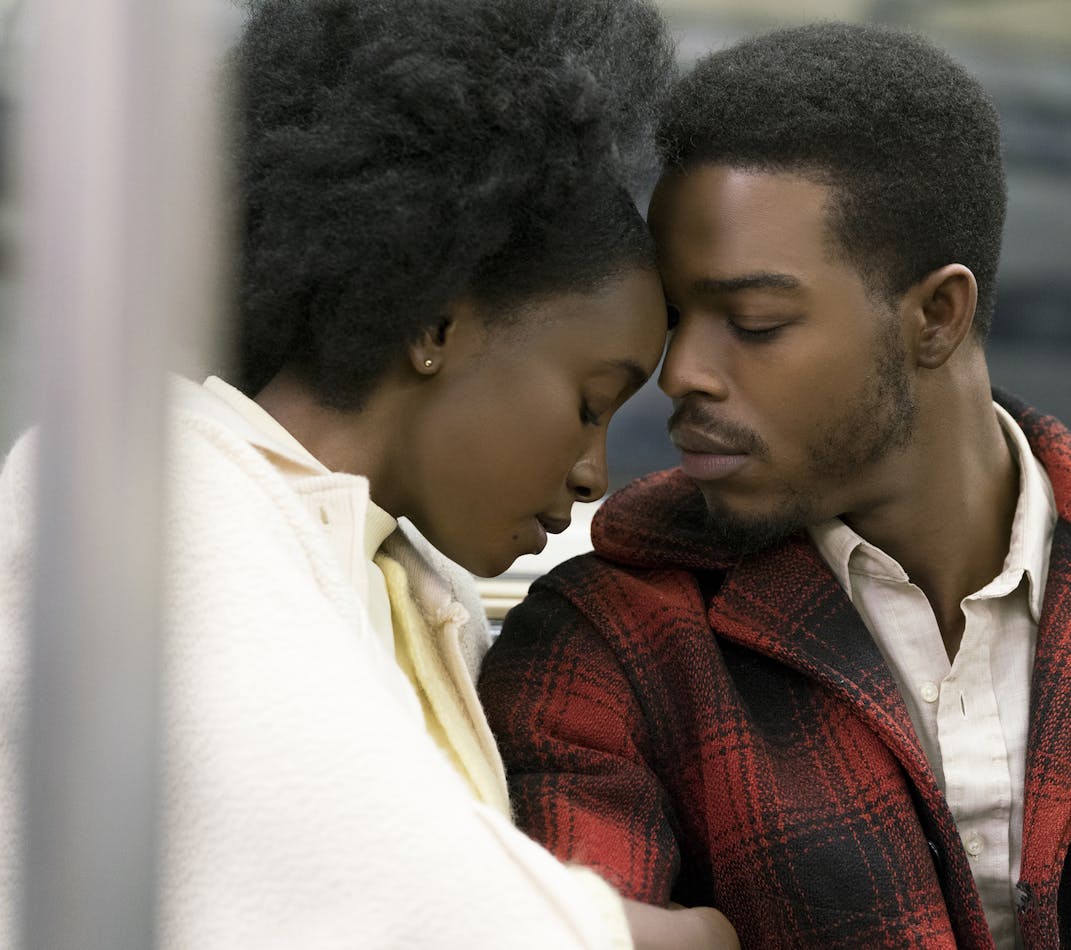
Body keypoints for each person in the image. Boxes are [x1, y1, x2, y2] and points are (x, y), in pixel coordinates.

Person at [478, 21, 1071, 949]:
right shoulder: (612, 644)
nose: (681, 371)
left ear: (937, 315)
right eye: (677, 317)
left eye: (755, 321)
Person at [0, 0, 737, 946]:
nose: (595, 472)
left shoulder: (393, 580)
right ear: (436, 326)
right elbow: (428, 909)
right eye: (591, 403)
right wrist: (702, 936)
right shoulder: (146, 496)